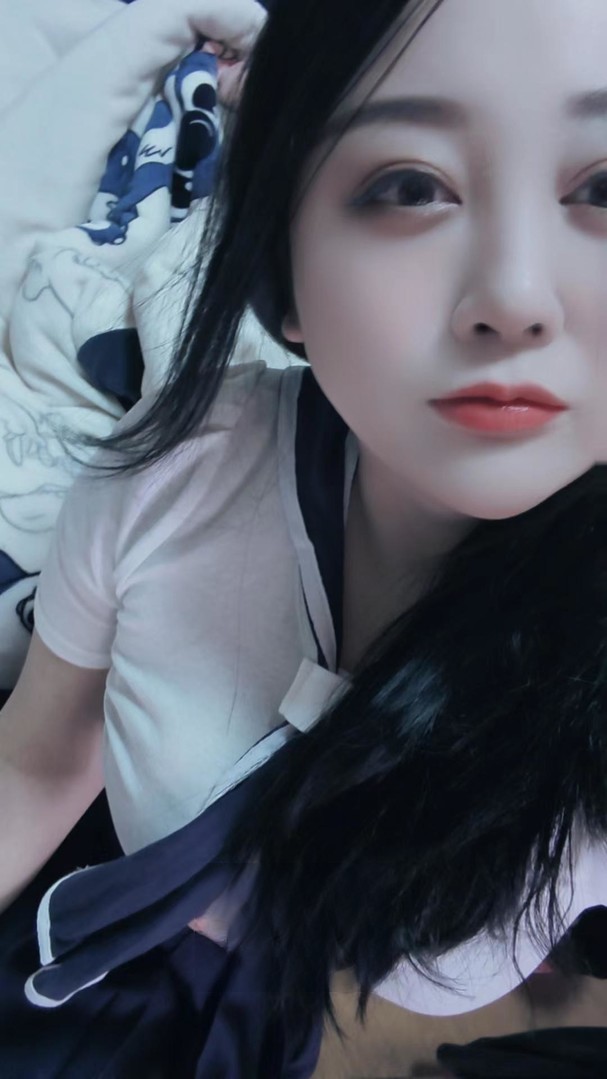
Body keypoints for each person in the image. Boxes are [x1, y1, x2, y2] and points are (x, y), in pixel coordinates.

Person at [2, 0, 607, 1074]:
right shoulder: (168, 480)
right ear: (284, 277)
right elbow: (39, 756)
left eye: (602, 189)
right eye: (408, 186)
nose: (513, 299)